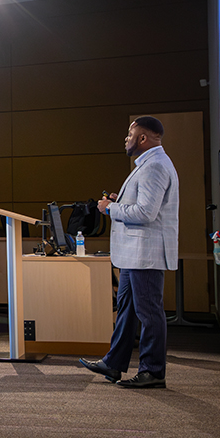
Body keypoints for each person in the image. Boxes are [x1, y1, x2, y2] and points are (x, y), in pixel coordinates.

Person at [80, 116, 179, 389]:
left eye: (130, 134)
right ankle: (114, 363)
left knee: (149, 314)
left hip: (145, 255)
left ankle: (153, 371)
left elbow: (147, 213)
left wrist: (109, 209)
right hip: (133, 254)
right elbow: (142, 205)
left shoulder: (154, 167)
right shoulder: (148, 164)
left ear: (144, 138)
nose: (126, 138)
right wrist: (119, 201)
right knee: (126, 308)